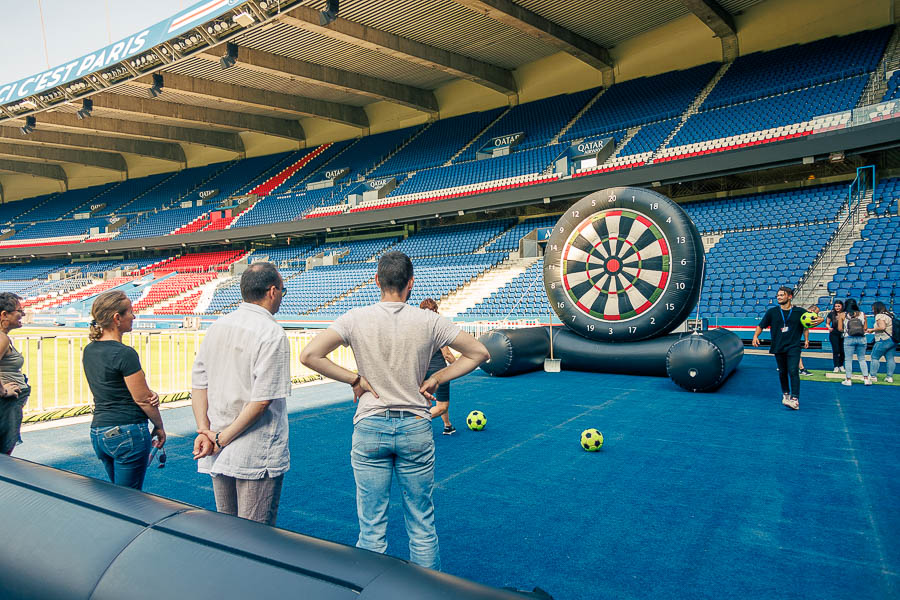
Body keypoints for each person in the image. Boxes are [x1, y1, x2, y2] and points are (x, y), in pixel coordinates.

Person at [300, 251, 490, 570]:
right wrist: (438, 377)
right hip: (415, 426)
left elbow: (309, 355)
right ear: (410, 284)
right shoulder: (429, 320)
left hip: (370, 426)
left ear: (377, 281)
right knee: (422, 527)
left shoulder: (354, 318)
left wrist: (355, 379)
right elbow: (479, 352)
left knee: (371, 531)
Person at [191, 262, 291, 526]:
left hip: (216, 443)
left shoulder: (217, 326)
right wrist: (220, 439)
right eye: (283, 290)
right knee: (256, 537)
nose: (282, 295)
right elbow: (261, 400)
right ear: (272, 291)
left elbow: (199, 383)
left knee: (227, 531)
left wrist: (205, 431)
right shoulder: (272, 333)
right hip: (252, 450)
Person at [83, 291, 164, 490]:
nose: (134, 317)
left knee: (117, 498)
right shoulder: (124, 353)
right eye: (130, 312)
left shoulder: (89, 350)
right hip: (127, 431)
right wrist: (159, 426)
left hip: (99, 432)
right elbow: (143, 399)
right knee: (130, 501)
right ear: (116, 318)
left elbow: (115, 386)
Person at [752, 286, 808, 410]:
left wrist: (809, 335)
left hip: (794, 346)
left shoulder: (800, 311)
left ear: (790, 296)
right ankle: (786, 394)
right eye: (778, 295)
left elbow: (810, 322)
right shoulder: (772, 312)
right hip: (778, 346)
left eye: (781, 295)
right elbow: (761, 325)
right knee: (782, 372)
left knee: (793, 370)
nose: (779, 297)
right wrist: (755, 336)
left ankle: (795, 399)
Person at [419, 298, 457, 435]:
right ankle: (414, 423)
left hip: (421, 372)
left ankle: (448, 425)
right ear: (435, 311)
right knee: (442, 406)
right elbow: (447, 354)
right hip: (439, 372)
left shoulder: (418, 328)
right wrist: (458, 366)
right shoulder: (437, 327)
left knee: (425, 403)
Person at [0, 293, 30, 456]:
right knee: (4, 458)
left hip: (7, 407)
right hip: (5, 407)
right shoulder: (2, 338)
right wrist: (4, 391)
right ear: (4, 314)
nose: (23, 315)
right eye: (19, 311)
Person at [838, 298, 870, 386]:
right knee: (862, 359)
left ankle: (848, 379)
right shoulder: (862, 314)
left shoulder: (842, 315)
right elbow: (865, 328)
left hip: (849, 338)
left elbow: (840, 329)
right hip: (861, 338)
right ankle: (866, 378)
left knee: (848, 360)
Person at [868, 301, 895, 383]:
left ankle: (873, 376)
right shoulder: (890, 315)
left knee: (874, 357)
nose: (873, 310)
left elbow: (882, 327)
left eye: (873, 309)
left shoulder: (879, 316)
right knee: (890, 358)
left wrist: (872, 330)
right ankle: (889, 377)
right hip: (892, 339)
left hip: (882, 339)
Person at [798, 305, 823, 376]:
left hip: (795, 336)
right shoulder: (801, 313)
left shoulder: (806, 318)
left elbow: (806, 328)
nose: (816, 315)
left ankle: (801, 369)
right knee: (795, 351)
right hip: (788, 334)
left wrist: (806, 340)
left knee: (795, 351)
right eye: (816, 313)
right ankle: (802, 369)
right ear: (812, 311)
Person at [826, 300, 846, 373]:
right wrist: (829, 328)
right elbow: (827, 323)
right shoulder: (831, 314)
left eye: (838, 306)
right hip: (834, 333)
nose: (837, 308)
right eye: (836, 306)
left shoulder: (845, 314)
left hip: (843, 333)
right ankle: (836, 366)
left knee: (842, 351)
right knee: (836, 350)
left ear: (842, 306)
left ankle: (841, 365)